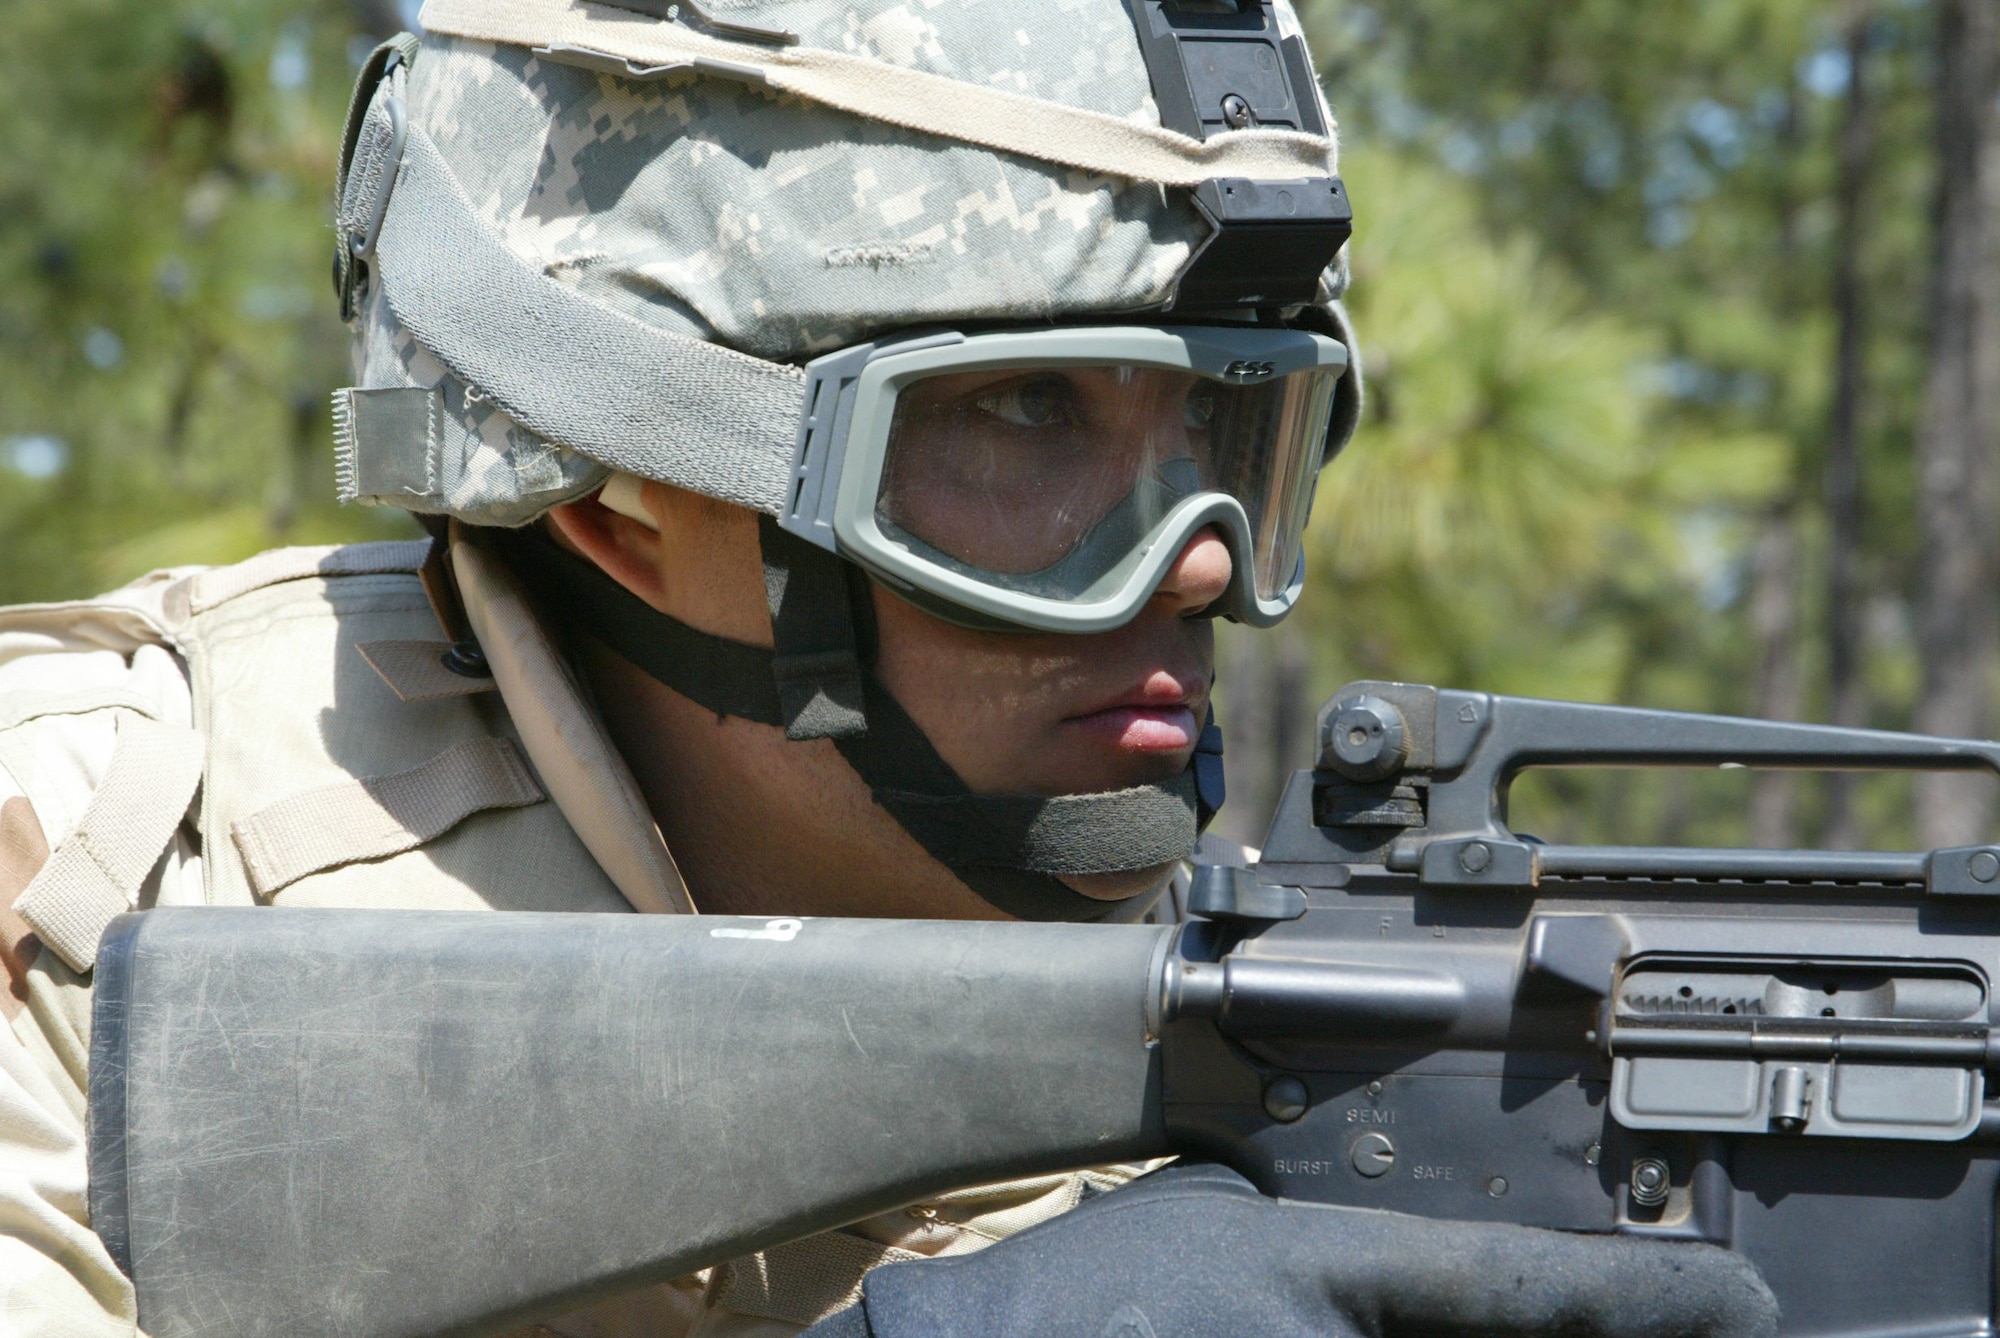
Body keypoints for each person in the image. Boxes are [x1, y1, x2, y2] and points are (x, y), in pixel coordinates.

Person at [0, 3, 1774, 1336]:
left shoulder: (1300, 1033)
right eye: (1022, 413)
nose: (1206, 561)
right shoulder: (99, 880)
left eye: (1236, 425)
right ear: (631, 501)